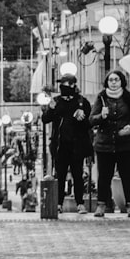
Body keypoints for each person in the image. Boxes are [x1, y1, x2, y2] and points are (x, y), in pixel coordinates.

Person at [88, 69, 130, 218]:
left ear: (121, 81)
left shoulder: (129, 97)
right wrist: (102, 115)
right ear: (107, 82)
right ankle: (101, 205)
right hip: (104, 144)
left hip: (125, 143)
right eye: (111, 80)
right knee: (104, 177)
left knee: (127, 176)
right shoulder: (101, 97)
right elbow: (91, 119)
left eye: (116, 80)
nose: (113, 83)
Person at [41, 73, 93, 214]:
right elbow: (45, 119)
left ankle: (80, 203)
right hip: (60, 145)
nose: (65, 87)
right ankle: (58, 203)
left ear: (74, 85)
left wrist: (82, 117)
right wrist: (50, 108)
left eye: (68, 84)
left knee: (78, 174)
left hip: (77, 145)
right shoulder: (56, 101)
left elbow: (89, 123)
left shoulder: (82, 102)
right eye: (63, 84)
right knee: (60, 174)